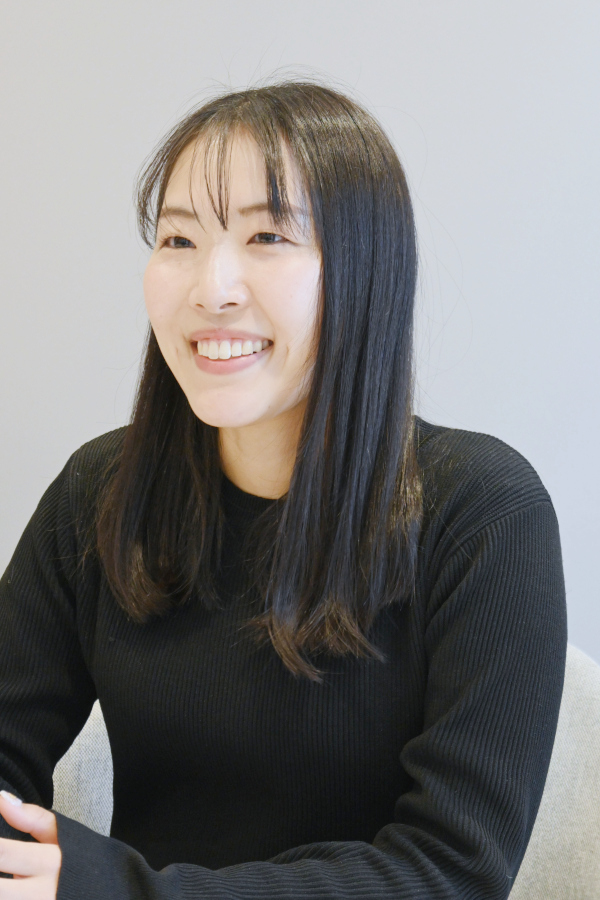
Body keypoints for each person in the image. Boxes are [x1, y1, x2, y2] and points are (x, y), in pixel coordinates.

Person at [0, 79, 567, 900]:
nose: (212, 288)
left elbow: (450, 872)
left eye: (267, 236)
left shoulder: (483, 513)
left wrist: (122, 889)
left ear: (367, 270)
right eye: (179, 238)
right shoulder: (101, 491)